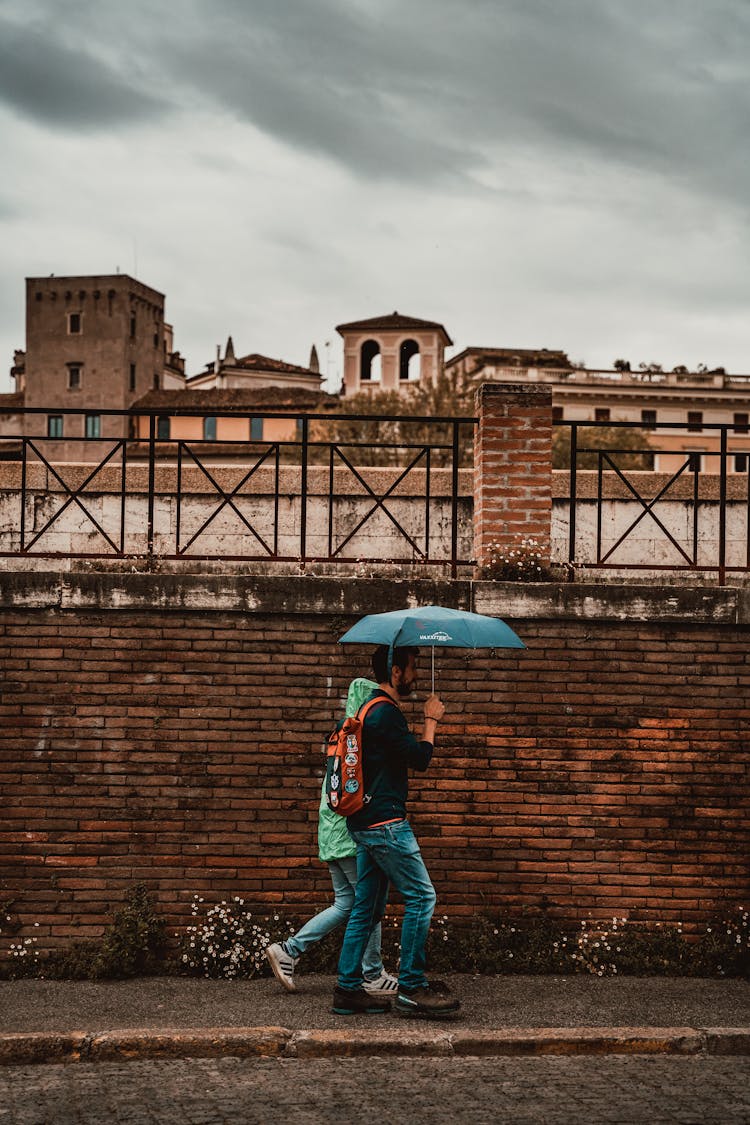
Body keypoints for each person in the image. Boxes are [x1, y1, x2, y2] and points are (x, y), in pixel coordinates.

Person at [332, 645, 461, 1020]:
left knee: (366, 908)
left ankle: (348, 990)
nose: (416, 675)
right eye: (412, 667)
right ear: (395, 670)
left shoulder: (368, 707)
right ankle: (411, 987)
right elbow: (420, 759)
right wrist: (431, 720)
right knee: (423, 897)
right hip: (386, 824)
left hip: (364, 822)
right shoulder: (385, 714)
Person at [265, 677, 398, 996]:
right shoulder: (362, 738)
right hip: (351, 837)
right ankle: (372, 973)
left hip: (331, 835)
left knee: (346, 904)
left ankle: (288, 951)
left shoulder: (342, 736)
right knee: (371, 905)